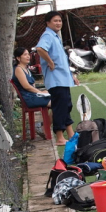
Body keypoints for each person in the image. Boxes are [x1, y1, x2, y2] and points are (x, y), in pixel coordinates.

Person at [35, 10, 79, 145]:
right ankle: (60, 137)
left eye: (60, 20)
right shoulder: (48, 35)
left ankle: (70, 134)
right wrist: (49, 61)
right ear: (48, 22)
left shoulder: (55, 36)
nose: (58, 23)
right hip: (56, 80)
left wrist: (71, 76)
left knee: (66, 105)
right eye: (55, 20)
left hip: (63, 79)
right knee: (60, 107)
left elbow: (62, 60)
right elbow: (40, 49)